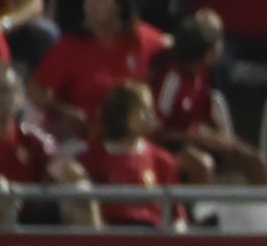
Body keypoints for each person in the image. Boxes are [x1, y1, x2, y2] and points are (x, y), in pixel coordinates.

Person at [28, 0, 167, 142]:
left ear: (119, 4)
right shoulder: (70, 46)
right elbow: (35, 90)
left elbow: (171, 46)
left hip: (135, 140)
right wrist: (62, 110)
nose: (92, 4)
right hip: (84, 139)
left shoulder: (139, 38)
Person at [150, 11, 267, 185]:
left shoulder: (205, 74)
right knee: (201, 165)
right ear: (208, 52)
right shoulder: (172, 79)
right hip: (173, 146)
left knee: (255, 161)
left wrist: (219, 136)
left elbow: (209, 113)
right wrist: (195, 138)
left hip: (202, 140)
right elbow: (157, 133)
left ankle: (264, 201)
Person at [0, 62, 72, 227]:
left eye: (5, 90)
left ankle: (96, 242)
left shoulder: (32, 139)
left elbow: (59, 166)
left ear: (19, 98)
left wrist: (69, 175)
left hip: (28, 217)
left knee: (78, 189)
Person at [74, 82, 184, 229]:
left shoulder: (162, 160)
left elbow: (177, 214)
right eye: (143, 110)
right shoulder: (91, 158)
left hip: (151, 233)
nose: (150, 116)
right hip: (110, 234)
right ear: (122, 115)